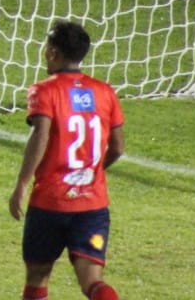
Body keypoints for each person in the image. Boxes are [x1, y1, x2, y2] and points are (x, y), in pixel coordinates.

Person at [9, 21, 126, 300]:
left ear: (52, 52)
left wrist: (22, 184)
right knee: (93, 281)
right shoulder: (104, 92)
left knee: (37, 275)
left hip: (49, 205)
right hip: (93, 210)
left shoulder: (45, 90)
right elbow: (119, 147)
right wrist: (92, 170)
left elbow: (41, 136)